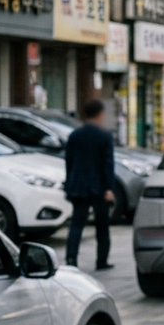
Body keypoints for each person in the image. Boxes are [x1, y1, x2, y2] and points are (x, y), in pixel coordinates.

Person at [64, 98, 116, 270]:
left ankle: (71, 258)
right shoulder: (104, 136)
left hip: (78, 185)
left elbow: (69, 161)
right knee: (102, 225)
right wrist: (109, 187)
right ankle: (101, 260)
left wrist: (69, 182)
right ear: (100, 114)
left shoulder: (74, 135)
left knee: (77, 224)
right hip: (99, 186)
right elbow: (107, 164)